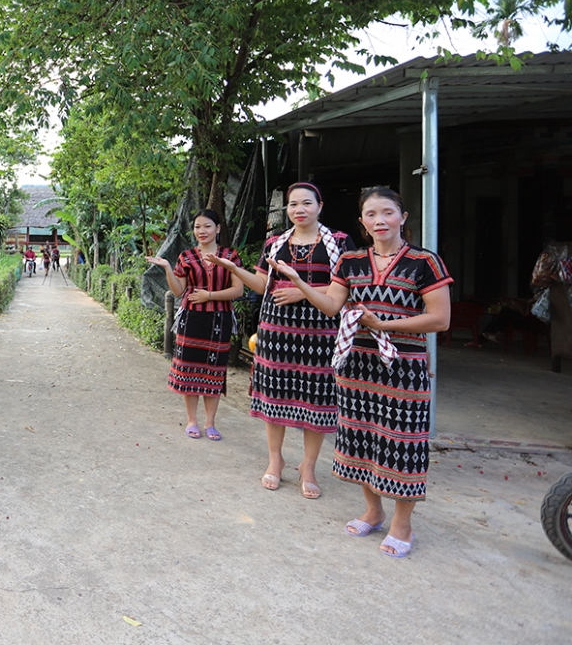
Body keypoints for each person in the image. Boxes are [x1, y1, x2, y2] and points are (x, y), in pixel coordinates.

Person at [268, 186, 451, 557]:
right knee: (362, 437)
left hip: (404, 366)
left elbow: (441, 319)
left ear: (403, 217)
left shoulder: (424, 262)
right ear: (362, 222)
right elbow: (333, 305)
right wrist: (300, 282)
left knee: (402, 443)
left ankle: (403, 524)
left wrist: (383, 324)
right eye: (371, 215)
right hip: (356, 363)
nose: (380, 220)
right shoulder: (350, 261)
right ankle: (373, 510)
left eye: (387, 213)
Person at [205, 182, 353, 499]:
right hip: (277, 331)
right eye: (293, 204)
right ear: (286, 209)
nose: (299, 209)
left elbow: (348, 288)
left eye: (306, 203)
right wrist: (234, 268)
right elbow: (261, 285)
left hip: (322, 333)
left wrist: (302, 292)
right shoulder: (275, 243)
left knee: (317, 401)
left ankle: (309, 466)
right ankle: (276, 458)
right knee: (276, 397)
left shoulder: (340, 242)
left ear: (320, 206)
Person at [147, 210, 244, 440]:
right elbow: (179, 291)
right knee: (188, 371)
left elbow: (238, 290)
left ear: (218, 228)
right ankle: (192, 420)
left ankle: (210, 423)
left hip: (220, 320)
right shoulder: (186, 257)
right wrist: (168, 269)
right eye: (198, 227)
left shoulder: (230, 256)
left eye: (208, 226)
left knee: (214, 372)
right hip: (191, 319)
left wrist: (209, 296)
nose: (202, 231)